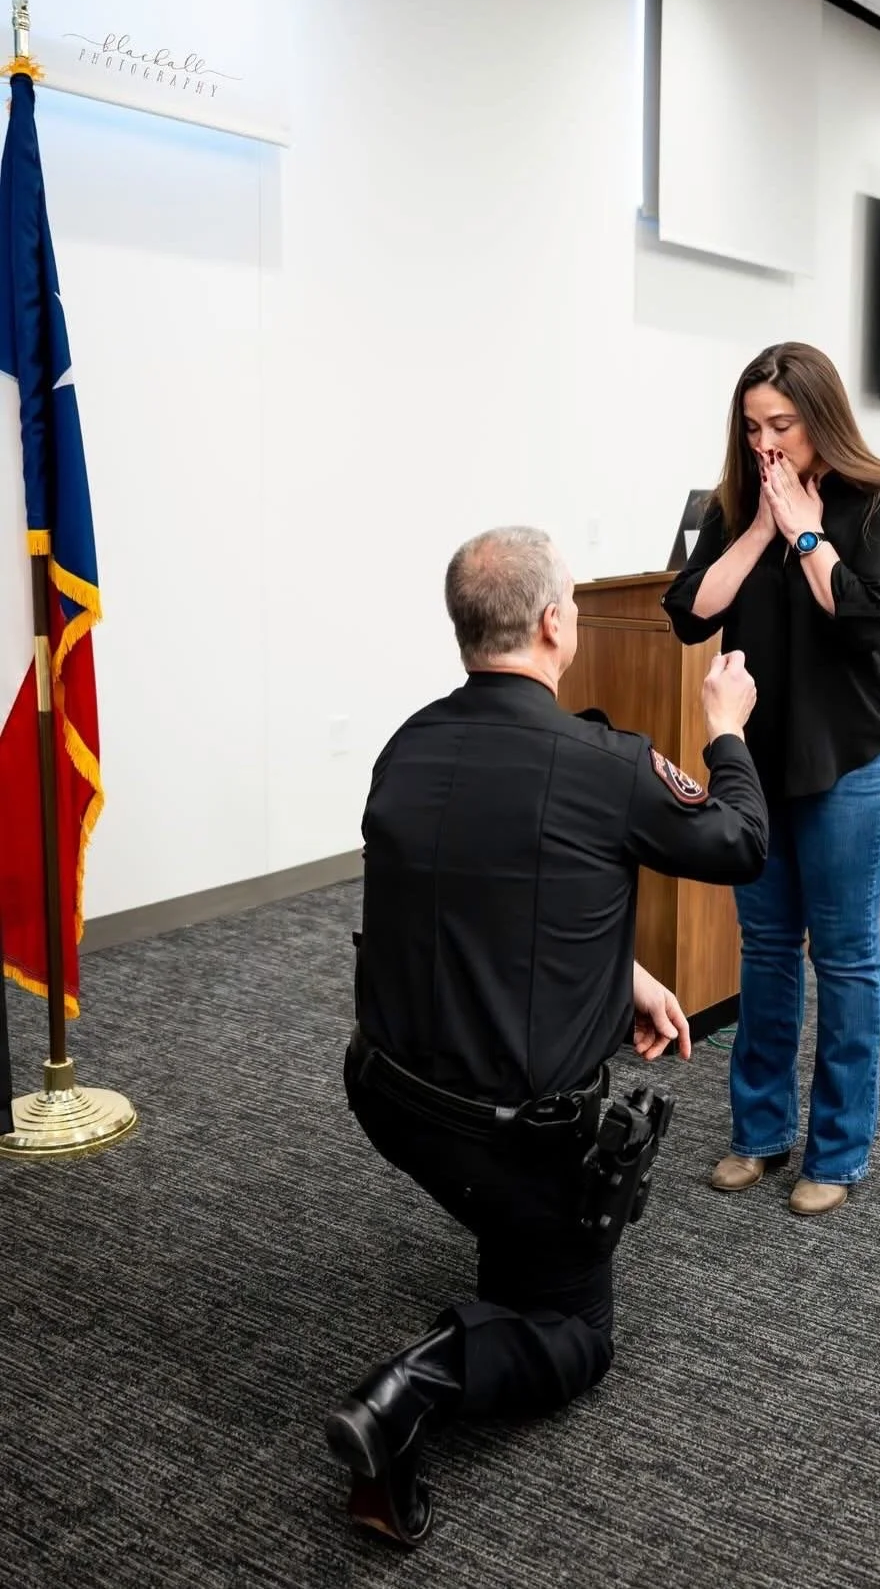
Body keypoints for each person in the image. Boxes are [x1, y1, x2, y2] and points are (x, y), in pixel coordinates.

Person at [327, 526, 767, 1546]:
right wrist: (727, 728)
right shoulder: (602, 761)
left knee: (519, 1240)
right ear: (555, 623)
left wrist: (624, 975)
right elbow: (741, 841)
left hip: (386, 1090)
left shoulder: (410, 743)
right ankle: (413, 1384)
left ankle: (508, 1240)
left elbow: (486, 904)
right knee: (573, 1333)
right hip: (506, 1129)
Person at [663, 343, 880, 1218]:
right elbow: (687, 612)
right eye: (752, 427)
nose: (766, 442)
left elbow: (860, 618)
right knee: (766, 953)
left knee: (845, 960)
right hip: (756, 765)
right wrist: (763, 527)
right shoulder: (736, 505)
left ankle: (837, 1152)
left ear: (821, 418)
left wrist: (807, 531)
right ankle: (758, 1135)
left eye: (782, 425)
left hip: (850, 760)